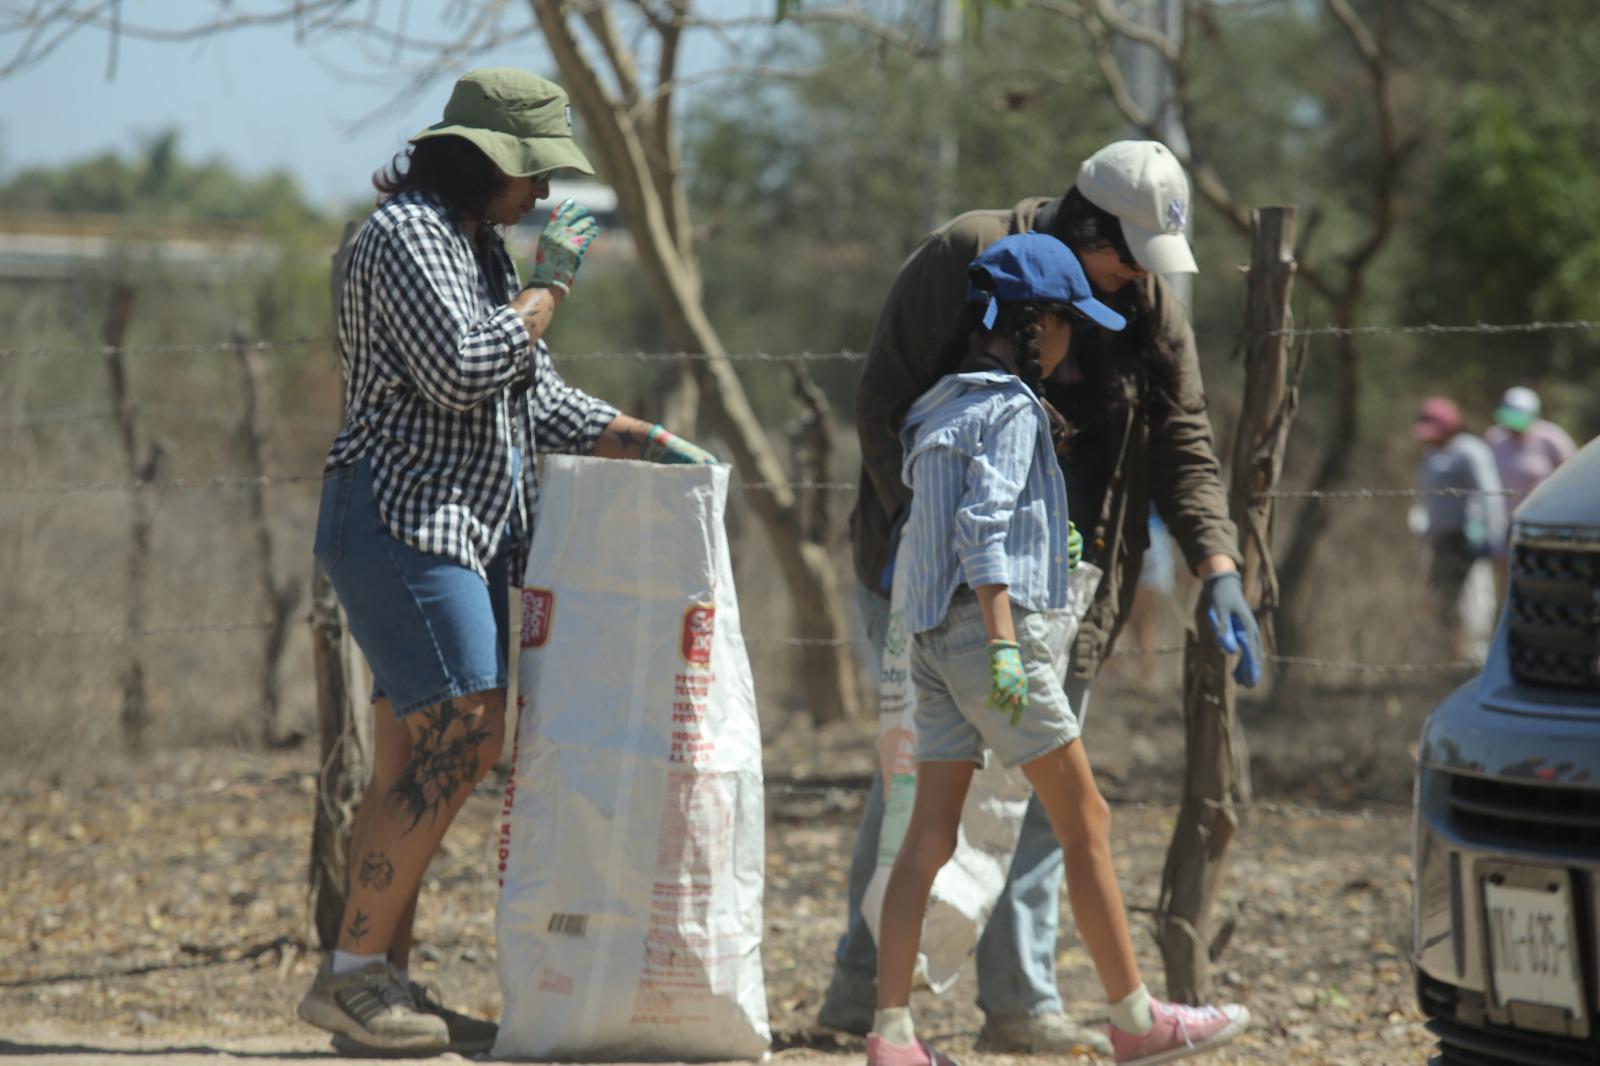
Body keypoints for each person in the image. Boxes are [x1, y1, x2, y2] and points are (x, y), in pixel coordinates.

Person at [296, 68, 715, 1057]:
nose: (542, 198)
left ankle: (379, 986)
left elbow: (531, 396)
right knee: (466, 735)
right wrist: (550, 284)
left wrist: (653, 442)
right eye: (534, 176)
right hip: (408, 521)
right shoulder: (404, 238)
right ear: (487, 162)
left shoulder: (475, 250)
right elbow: (463, 369)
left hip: (461, 529)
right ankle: (349, 977)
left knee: (413, 751)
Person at [827, 141, 1262, 1055]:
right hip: (997, 617)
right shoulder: (978, 302)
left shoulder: (1111, 323)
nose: (1135, 285)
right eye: (1121, 263)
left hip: (992, 604)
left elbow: (1183, 435)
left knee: (934, 823)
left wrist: (1214, 561)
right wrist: (990, 620)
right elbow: (891, 419)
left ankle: (903, 1028)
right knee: (1078, 816)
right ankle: (1137, 1019)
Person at [1412, 397, 1507, 663]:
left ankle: (1476, 662)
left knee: (1475, 602)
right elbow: (1426, 497)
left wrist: (1493, 536)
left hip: (1469, 541)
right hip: (1440, 541)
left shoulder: (1470, 451)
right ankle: (1445, 657)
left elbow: (1490, 495)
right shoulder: (1431, 456)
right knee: (1442, 600)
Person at [1484, 386, 1577, 503]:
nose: (1513, 427)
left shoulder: (1552, 437)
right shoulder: (1494, 437)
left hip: (1540, 511)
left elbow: (1573, 471)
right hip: (1502, 514)